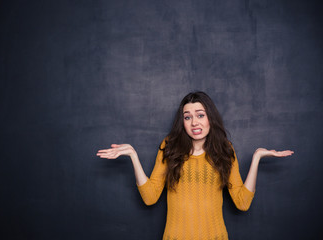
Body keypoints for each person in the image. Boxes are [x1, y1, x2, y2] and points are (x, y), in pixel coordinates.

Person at [96, 91, 293, 240]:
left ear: (210, 118)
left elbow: (242, 202)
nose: (194, 122)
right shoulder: (169, 147)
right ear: (182, 122)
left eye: (200, 115)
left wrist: (257, 157)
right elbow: (149, 197)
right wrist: (132, 155)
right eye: (187, 117)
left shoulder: (225, 150)